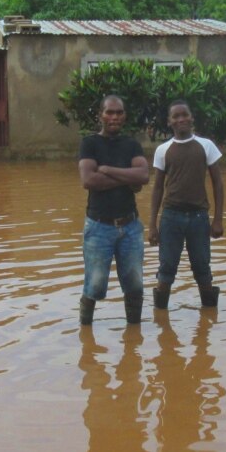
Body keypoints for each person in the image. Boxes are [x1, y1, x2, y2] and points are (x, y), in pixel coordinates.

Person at [78, 95, 151, 325]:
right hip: (99, 226)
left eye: (119, 112)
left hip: (130, 226)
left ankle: (133, 336)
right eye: (110, 112)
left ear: (124, 116)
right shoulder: (89, 143)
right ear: (101, 114)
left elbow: (143, 176)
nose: (114, 117)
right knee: (95, 284)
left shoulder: (132, 144)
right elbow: (89, 180)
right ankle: (86, 336)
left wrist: (108, 169)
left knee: (135, 284)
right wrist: (127, 176)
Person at [147, 100, 225, 309]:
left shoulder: (206, 146)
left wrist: (217, 220)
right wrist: (152, 224)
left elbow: (218, 184)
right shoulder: (163, 150)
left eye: (184, 115)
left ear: (192, 118)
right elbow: (157, 188)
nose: (181, 119)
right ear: (169, 122)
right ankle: (160, 317)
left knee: (202, 268)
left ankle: (208, 319)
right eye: (176, 116)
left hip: (199, 217)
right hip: (171, 217)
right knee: (166, 268)